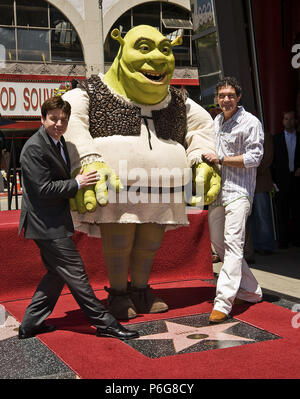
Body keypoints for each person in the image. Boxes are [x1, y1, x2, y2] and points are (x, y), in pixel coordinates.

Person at [61, 25, 221, 321]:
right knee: (119, 241)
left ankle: (141, 289)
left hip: (162, 190)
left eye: (165, 49)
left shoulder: (177, 99)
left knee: (149, 242)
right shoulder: (93, 91)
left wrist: (200, 158)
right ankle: (119, 294)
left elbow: (202, 127)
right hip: (117, 189)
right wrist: (88, 160)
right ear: (121, 49)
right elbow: (71, 118)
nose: (158, 58)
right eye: (145, 48)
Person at [18, 96, 139, 341]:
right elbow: (43, 190)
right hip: (46, 224)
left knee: (56, 274)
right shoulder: (34, 148)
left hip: (54, 221)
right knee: (76, 273)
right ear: (42, 119)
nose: (59, 124)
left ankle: (29, 325)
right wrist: (77, 183)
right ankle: (105, 324)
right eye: (53, 119)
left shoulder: (59, 142)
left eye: (63, 119)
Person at [203, 76, 264, 323]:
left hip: (239, 192)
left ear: (238, 97)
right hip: (217, 193)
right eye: (221, 96)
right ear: (217, 99)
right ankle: (251, 290)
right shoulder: (216, 121)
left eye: (230, 95)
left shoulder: (250, 122)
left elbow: (254, 157)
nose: (225, 99)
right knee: (219, 245)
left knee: (233, 245)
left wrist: (221, 160)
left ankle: (223, 302)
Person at [272, 110, 300, 248]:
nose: (288, 121)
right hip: (281, 180)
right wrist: (273, 181)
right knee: (281, 211)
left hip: (297, 179)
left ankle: (297, 240)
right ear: (282, 121)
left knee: (297, 210)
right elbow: (272, 161)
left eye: (291, 119)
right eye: (286, 119)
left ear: (296, 121)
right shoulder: (276, 139)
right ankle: (283, 241)